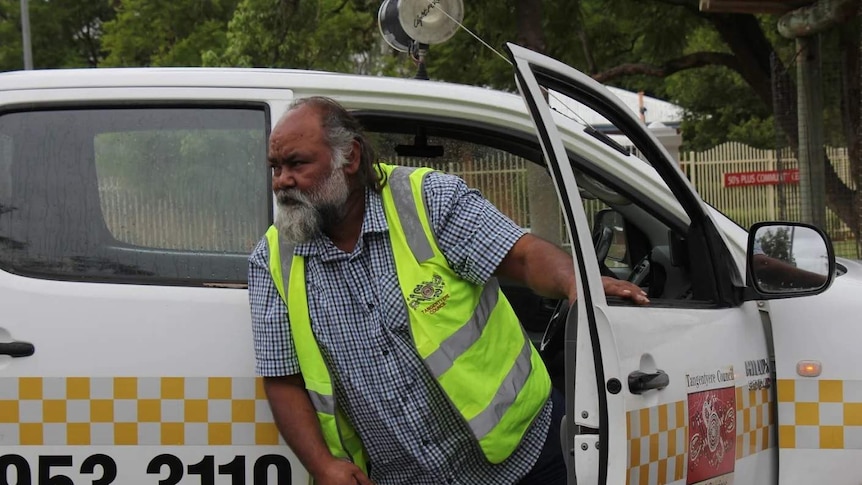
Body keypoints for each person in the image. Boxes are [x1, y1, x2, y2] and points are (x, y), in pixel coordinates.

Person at [248, 96, 649, 485]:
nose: (282, 181)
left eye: (297, 164)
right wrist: (322, 465)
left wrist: (575, 282)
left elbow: (523, 257)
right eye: (275, 167)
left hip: (526, 458)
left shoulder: (426, 200)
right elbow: (283, 377)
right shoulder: (272, 260)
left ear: (349, 158)